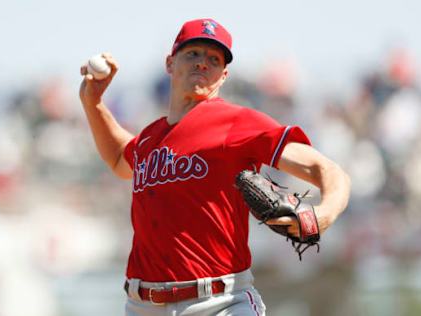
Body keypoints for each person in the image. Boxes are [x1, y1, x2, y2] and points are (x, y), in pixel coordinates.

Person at [79, 18, 350, 316]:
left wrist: (322, 216)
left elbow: (327, 171)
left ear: (223, 76)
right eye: (193, 53)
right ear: (170, 64)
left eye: (214, 59)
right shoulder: (149, 139)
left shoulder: (237, 123)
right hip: (142, 306)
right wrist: (93, 103)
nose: (203, 64)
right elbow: (120, 158)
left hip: (219, 303)